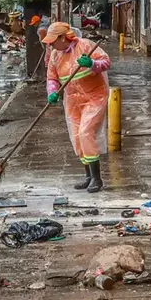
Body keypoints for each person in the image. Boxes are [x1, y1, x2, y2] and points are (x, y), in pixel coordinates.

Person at [43, 22, 111, 193]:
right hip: (73, 100)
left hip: (94, 96)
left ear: (63, 37)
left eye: (53, 41)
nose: (50, 45)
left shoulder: (85, 45)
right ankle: (88, 175)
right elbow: (52, 77)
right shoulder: (55, 55)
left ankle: (97, 178)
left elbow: (106, 62)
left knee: (85, 132)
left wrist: (91, 64)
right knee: (76, 136)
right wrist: (52, 91)